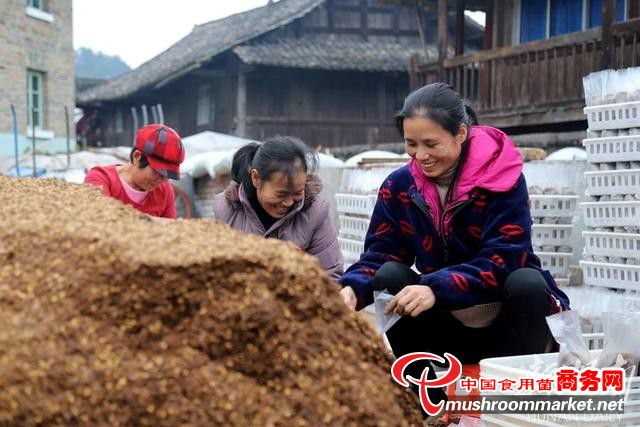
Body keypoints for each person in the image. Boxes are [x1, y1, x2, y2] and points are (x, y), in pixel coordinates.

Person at [338, 83, 570, 381]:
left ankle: (512, 394)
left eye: (431, 144)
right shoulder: (399, 186)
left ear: (461, 133)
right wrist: (351, 290)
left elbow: (504, 258)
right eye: (411, 144)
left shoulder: (503, 181)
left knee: (527, 281)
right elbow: (381, 253)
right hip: (446, 326)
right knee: (389, 277)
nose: (420, 155)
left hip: (506, 326)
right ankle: (428, 397)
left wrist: (436, 288)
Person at [213, 136, 343, 280]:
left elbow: (331, 276)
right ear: (256, 178)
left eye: (298, 193)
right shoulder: (227, 210)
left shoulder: (315, 212)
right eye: (281, 194)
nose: (288, 202)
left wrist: (301, 268)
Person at [84, 124, 185, 220]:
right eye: (158, 172)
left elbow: (172, 229)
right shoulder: (101, 178)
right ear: (137, 157)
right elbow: (100, 216)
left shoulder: (165, 190)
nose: (161, 180)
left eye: (166, 175)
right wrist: (151, 221)